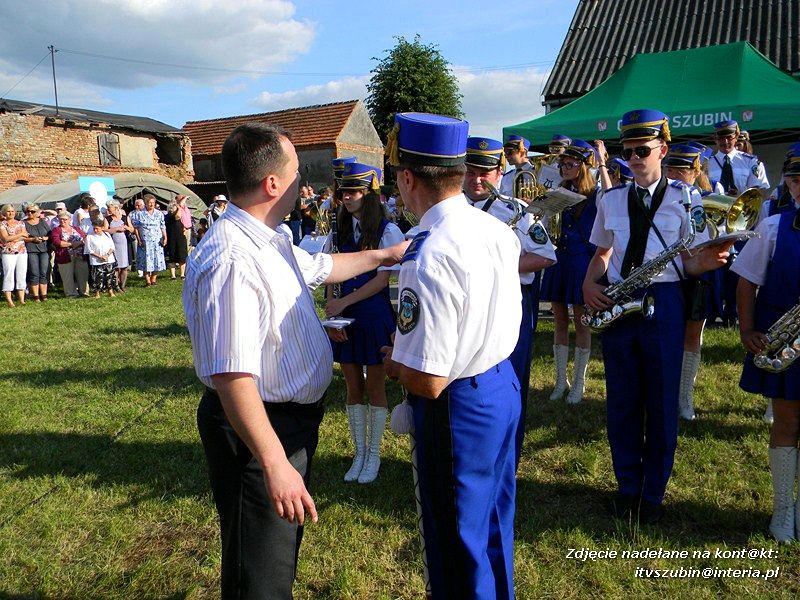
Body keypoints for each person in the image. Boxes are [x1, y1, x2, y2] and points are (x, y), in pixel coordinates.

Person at [183, 122, 407, 600]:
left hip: (286, 422)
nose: (304, 182)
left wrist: (388, 254)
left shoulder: (271, 237)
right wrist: (274, 462)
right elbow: (232, 374)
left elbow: (325, 268)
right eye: (297, 171)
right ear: (272, 184)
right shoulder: (233, 259)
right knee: (259, 575)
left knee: (275, 557)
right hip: (258, 430)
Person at [381, 113, 522, 599]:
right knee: (494, 525)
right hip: (501, 385)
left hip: (458, 408)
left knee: (455, 542)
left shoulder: (428, 253)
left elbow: (429, 381)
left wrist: (392, 361)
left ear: (406, 178)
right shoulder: (496, 229)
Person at [583, 109, 732, 524]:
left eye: (642, 150)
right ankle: (627, 488)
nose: (633, 158)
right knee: (623, 401)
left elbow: (692, 261)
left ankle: (653, 495)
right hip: (619, 303)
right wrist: (589, 285)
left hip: (663, 301)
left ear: (662, 150)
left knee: (662, 402)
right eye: (628, 151)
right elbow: (602, 253)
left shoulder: (688, 199)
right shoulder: (610, 198)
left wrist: (712, 260)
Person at [463, 135, 555, 462]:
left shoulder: (515, 210)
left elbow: (545, 256)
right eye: (471, 171)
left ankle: (507, 457)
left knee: (510, 379)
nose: (477, 179)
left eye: (484, 172)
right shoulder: (449, 210)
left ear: (499, 173)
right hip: (462, 309)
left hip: (507, 307)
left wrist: (493, 268)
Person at [732, 152, 800, 542]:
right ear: (788, 184)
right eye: (796, 179)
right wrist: (747, 329)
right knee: (787, 424)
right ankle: (781, 511)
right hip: (785, 341)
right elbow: (745, 282)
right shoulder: (774, 227)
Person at [323, 162, 404, 484]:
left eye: (355, 191)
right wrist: (333, 313)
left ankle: (373, 455)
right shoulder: (338, 228)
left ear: (370, 194)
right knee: (353, 386)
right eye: (344, 191)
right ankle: (358, 453)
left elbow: (383, 281)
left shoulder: (387, 230)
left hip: (373, 315)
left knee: (375, 386)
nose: (347, 197)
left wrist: (343, 302)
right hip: (345, 316)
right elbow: (331, 271)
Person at [662, 143, 726, 421]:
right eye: (670, 168)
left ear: (695, 171)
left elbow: (724, 236)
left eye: (682, 170)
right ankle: (664, 393)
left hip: (697, 275)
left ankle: (685, 397)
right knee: (665, 337)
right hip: (667, 275)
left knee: (692, 337)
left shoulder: (710, 199)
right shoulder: (661, 197)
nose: (674, 174)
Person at [540, 140, 598, 404]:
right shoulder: (559, 191)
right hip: (560, 259)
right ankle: (560, 380)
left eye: (570, 164)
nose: (563, 167)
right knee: (559, 320)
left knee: (582, 322)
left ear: (583, 166)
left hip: (582, 262)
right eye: (562, 164)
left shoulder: (595, 194)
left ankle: (579, 384)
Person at [708, 120, 770, 328]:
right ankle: (717, 311)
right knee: (718, 269)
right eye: (721, 138)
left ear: (736, 137)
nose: (725, 141)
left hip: (741, 224)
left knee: (739, 269)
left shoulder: (750, 162)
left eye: (729, 137)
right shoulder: (706, 162)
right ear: (715, 139)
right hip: (716, 224)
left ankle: (733, 312)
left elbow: (757, 194)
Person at [51, 213, 88, 298]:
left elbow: (85, 238)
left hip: (80, 255)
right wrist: (72, 244)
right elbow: (57, 242)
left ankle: (84, 292)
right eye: (61, 219)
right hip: (65, 256)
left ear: (69, 220)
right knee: (67, 275)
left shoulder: (76, 228)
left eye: (65, 219)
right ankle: (71, 294)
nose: (63, 221)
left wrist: (79, 243)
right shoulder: (56, 230)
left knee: (83, 274)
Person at [134, 194, 167, 287]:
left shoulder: (159, 214)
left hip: (157, 240)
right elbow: (136, 228)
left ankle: (154, 279)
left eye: (153, 202)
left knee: (157, 259)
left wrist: (165, 237)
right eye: (149, 203)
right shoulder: (140, 214)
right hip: (145, 241)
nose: (151, 204)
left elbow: (162, 226)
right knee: (146, 260)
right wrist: (139, 239)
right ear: (145, 203)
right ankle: (147, 281)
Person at [0, 204, 27, 307]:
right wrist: (19, 235)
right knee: (9, 274)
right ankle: (9, 300)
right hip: (8, 252)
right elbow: (5, 239)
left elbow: (26, 235)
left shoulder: (21, 223)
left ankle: (21, 299)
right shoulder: (2, 224)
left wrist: (13, 238)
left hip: (22, 251)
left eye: (12, 211)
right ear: (4, 213)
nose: (11, 213)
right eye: (8, 211)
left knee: (22, 273)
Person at [22, 204, 51, 301]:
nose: (30, 213)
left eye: (32, 211)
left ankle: (44, 295)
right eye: (28, 211)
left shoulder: (42, 221)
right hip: (31, 251)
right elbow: (22, 238)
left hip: (44, 250)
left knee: (43, 272)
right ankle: (36, 296)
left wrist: (45, 238)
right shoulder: (23, 223)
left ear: (37, 213)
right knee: (34, 273)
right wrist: (32, 239)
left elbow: (50, 234)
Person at [85, 218, 118, 298]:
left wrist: (107, 255)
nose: (95, 230)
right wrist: (100, 256)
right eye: (94, 228)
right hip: (96, 261)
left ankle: (110, 291)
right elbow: (89, 250)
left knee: (110, 276)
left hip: (109, 259)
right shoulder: (89, 237)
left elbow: (112, 247)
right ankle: (97, 293)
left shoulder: (107, 235)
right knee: (97, 277)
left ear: (102, 227)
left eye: (97, 228)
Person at [106, 200, 132, 292]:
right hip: (114, 244)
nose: (108, 209)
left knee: (124, 266)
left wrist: (125, 228)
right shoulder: (108, 219)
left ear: (116, 208)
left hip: (124, 245)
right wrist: (116, 229)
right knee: (116, 267)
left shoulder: (125, 218)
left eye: (110, 207)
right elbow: (105, 230)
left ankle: (123, 285)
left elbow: (132, 229)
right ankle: (116, 285)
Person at [165, 201, 189, 280]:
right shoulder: (169, 216)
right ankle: (173, 275)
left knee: (182, 256)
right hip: (172, 238)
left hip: (180, 238)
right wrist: (179, 207)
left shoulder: (179, 217)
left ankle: (182, 274)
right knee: (172, 257)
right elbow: (178, 216)